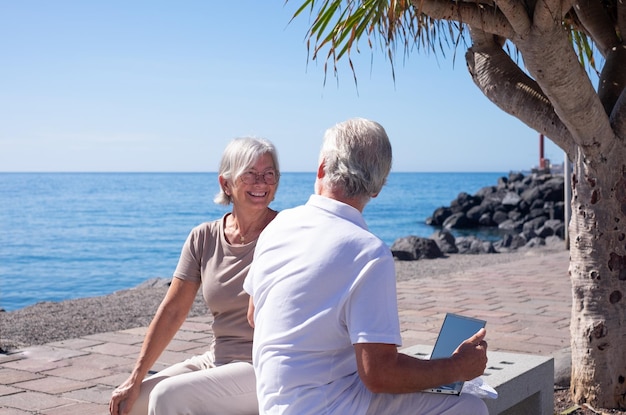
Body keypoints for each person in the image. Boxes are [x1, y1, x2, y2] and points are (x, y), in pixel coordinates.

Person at [243, 118, 489, 415]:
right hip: (329, 407)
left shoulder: (278, 225)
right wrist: (457, 367)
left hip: (275, 404)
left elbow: (255, 315)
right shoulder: (368, 252)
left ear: (322, 169)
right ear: (377, 188)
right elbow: (379, 375)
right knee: (469, 406)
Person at [109, 136, 280, 415]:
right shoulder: (204, 237)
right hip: (217, 359)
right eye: (250, 173)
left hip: (264, 367)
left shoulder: (286, 233)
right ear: (226, 183)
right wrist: (136, 376)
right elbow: (174, 309)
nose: (261, 182)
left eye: (269, 174)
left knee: (169, 397)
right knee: (130, 404)